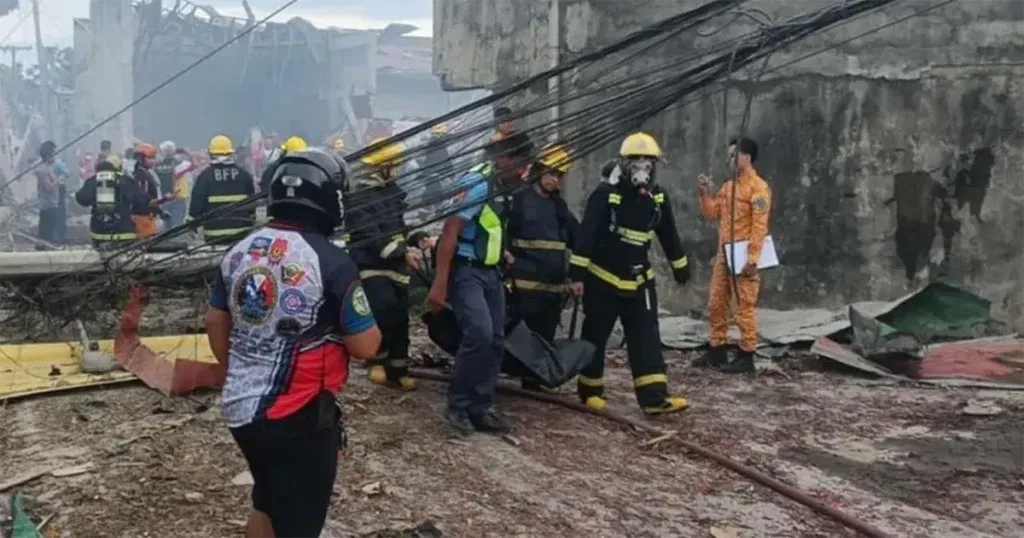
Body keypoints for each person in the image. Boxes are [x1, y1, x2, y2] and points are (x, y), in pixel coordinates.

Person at [206, 148, 380, 538]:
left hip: (242, 409)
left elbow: (215, 318)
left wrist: (233, 371)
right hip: (295, 414)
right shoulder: (332, 262)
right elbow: (366, 346)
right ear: (328, 200)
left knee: (267, 499)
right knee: (299, 521)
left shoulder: (239, 251)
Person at [569, 132, 690, 415]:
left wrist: (680, 268)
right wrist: (576, 276)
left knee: (646, 336)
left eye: (648, 163)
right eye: (637, 163)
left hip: (639, 280)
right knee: (595, 335)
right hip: (603, 278)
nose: (643, 170)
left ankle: (653, 398)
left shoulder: (657, 197)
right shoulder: (604, 196)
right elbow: (586, 236)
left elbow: (669, 234)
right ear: (624, 165)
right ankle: (590, 391)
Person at [427, 131, 534, 436]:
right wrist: (440, 282)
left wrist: (503, 253)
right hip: (466, 271)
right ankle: (458, 405)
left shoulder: (505, 186)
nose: (523, 171)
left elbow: (490, 226)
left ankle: (481, 406)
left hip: (491, 272)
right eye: (520, 164)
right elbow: (450, 231)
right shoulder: (476, 184)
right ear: (503, 158)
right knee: (479, 333)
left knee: (497, 339)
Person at [346, 138, 423, 391]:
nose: (398, 169)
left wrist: (417, 239)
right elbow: (373, 237)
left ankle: (399, 369)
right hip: (371, 265)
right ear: (383, 167)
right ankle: (377, 361)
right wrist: (403, 254)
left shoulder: (393, 192)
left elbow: (399, 228)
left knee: (400, 318)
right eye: (394, 165)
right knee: (382, 310)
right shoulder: (359, 197)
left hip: (397, 267)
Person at [504, 144, 579, 388]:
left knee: (546, 332)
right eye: (550, 173)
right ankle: (524, 376)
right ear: (538, 170)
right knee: (525, 333)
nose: (554, 179)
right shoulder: (520, 199)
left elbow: (576, 238)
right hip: (526, 281)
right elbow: (505, 232)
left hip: (553, 286)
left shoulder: (559, 206)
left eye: (558, 175)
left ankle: (535, 379)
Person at [696, 137, 771, 374]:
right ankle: (717, 348)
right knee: (717, 301)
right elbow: (712, 213)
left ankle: (746, 354)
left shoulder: (758, 188)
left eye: (734, 155)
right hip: (724, 254)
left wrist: (752, 259)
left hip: (743, 255)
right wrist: (704, 195)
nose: (729, 160)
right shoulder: (728, 188)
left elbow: (760, 225)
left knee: (744, 305)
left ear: (747, 157)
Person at [189, 135, 256, 243]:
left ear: (211, 154)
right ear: (231, 153)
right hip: (241, 234)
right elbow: (252, 206)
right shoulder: (244, 176)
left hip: (214, 235)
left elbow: (197, 205)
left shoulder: (205, 177)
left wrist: (192, 223)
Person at [75, 155, 139, 250]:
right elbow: (139, 199)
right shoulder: (126, 180)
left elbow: (82, 199)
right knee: (126, 261)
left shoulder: (92, 180)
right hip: (124, 232)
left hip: (99, 233)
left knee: (104, 261)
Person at [34, 141, 68, 249]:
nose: (55, 156)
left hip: (53, 204)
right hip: (47, 206)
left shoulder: (50, 168)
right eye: (53, 154)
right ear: (48, 155)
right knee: (46, 234)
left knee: (49, 232)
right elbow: (48, 188)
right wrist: (59, 179)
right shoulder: (42, 170)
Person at [130, 143, 162, 239]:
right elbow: (144, 198)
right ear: (141, 159)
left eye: (154, 157)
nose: (154, 161)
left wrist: (159, 211)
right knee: (145, 243)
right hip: (143, 217)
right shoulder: (141, 176)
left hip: (147, 216)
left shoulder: (145, 173)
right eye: (150, 158)